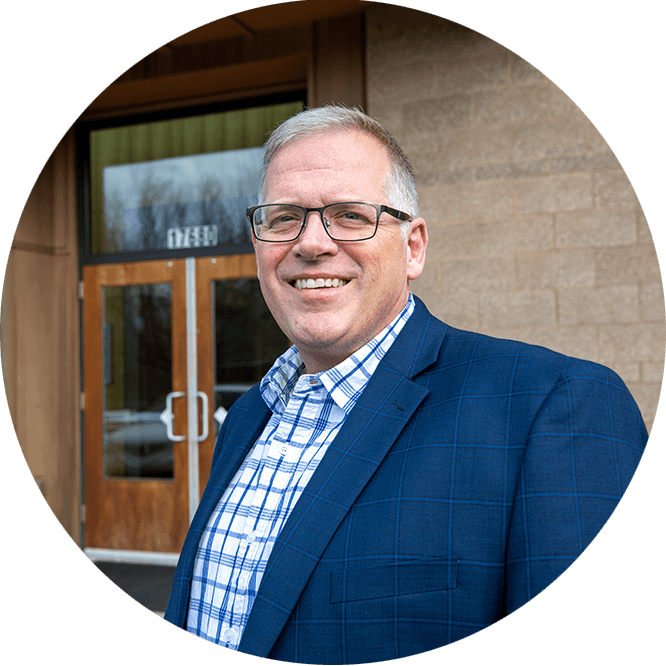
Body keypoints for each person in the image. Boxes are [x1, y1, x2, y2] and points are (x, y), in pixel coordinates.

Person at [165, 105, 648, 662]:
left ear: (413, 246)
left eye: (349, 215)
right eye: (282, 218)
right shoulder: (249, 416)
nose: (311, 243)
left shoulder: (554, 406)